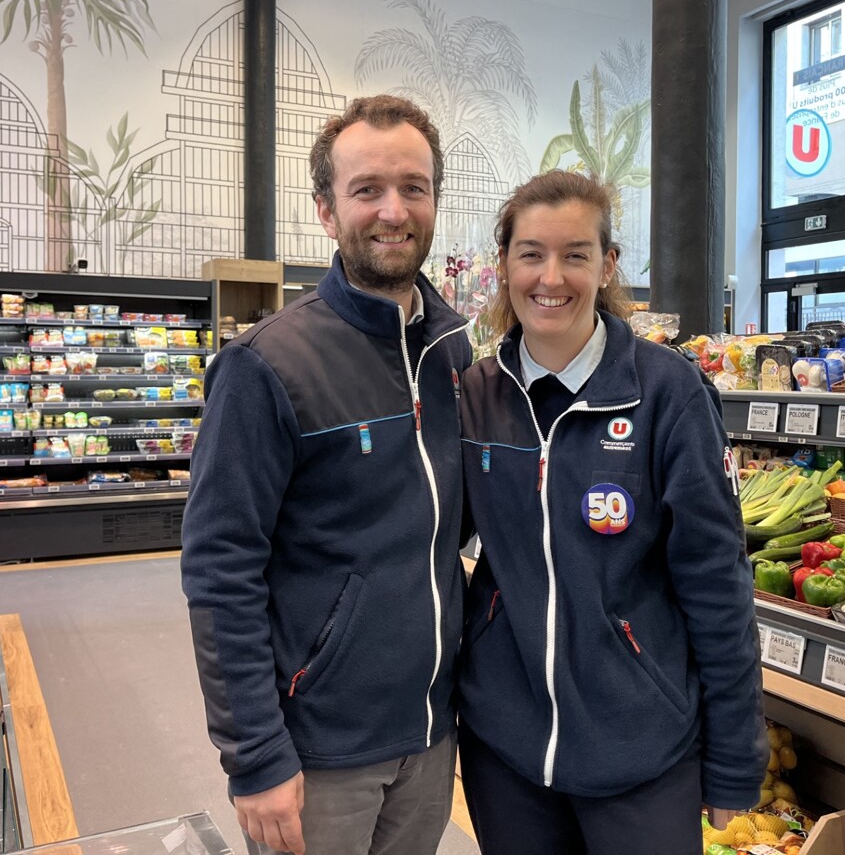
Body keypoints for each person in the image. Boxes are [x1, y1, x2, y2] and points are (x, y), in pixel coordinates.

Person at [181, 95, 472, 855]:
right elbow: (220, 569)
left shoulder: (456, 354)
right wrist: (255, 756)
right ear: (326, 209)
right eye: (367, 188)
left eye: (413, 187)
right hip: (318, 751)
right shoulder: (265, 366)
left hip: (432, 736)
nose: (393, 210)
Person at [456, 170, 768, 855]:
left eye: (575, 254)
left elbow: (717, 583)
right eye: (531, 254)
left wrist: (734, 758)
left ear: (607, 265)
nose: (551, 277)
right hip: (505, 750)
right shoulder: (478, 394)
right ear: (504, 263)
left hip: (642, 749)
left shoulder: (668, 393)